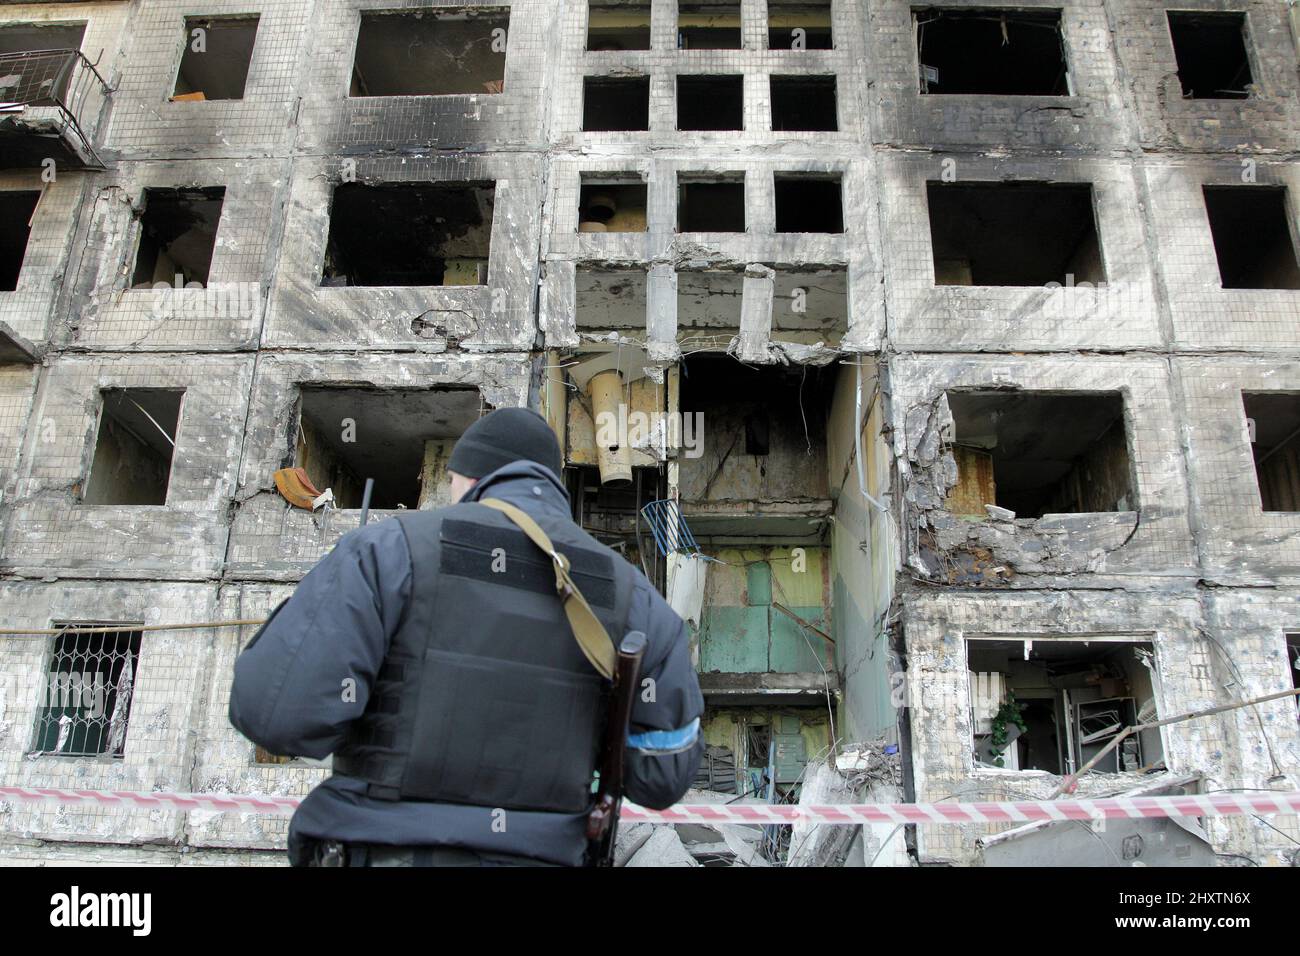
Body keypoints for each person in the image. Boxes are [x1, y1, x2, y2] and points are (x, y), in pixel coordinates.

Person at [229, 406, 704, 866]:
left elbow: (275, 717)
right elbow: (662, 776)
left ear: (472, 478)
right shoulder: (638, 600)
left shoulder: (386, 551)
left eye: (451, 483)